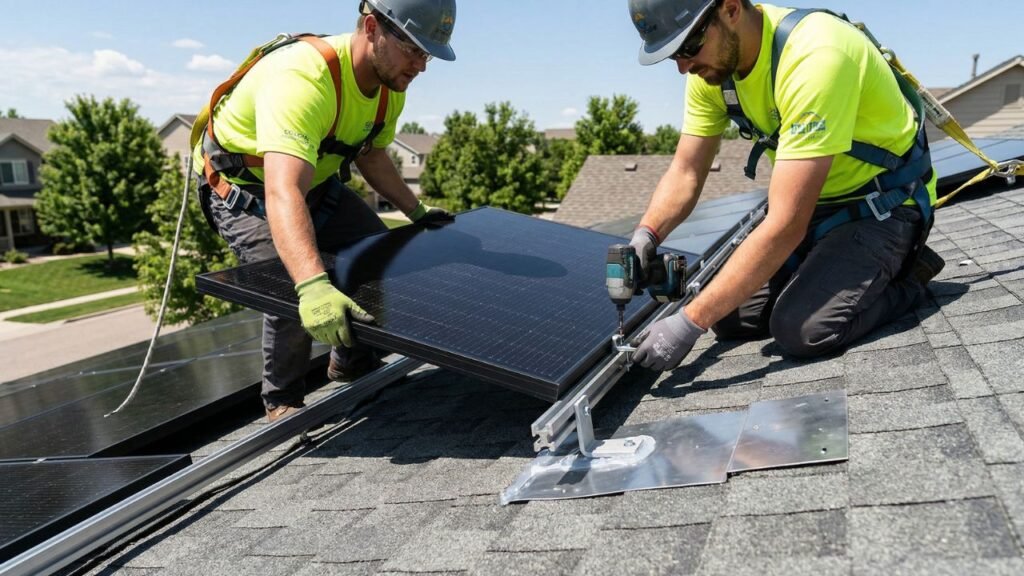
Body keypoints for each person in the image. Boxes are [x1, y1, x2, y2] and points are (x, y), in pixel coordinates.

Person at [625, 0, 946, 372]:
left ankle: (912, 278)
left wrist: (688, 322)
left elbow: (785, 224)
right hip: (813, 206)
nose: (683, 67)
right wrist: (646, 235)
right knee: (730, 319)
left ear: (730, 9)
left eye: (688, 47)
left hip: (881, 206)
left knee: (802, 330)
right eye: (671, 56)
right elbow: (686, 172)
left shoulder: (815, 54)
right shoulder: (713, 72)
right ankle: (826, 268)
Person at [193, 0, 457, 422]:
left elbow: (371, 155)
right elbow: (283, 192)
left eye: (427, 54)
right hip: (247, 189)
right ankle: (282, 403)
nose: (420, 65)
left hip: (313, 183)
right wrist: (313, 285)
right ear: (372, 28)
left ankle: (353, 363)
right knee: (288, 277)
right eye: (413, 49)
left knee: (379, 255)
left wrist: (416, 210)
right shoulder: (304, 79)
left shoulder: (390, 89)